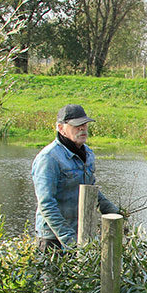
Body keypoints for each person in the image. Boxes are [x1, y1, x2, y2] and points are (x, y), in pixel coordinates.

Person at [31, 104, 119, 250]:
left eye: (84, 124)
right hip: (52, 239)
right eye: (76, 126)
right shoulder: (48, 158)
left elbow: (91, 190)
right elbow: (46, 204)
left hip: (81, 234)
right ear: (61, 128)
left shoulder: (88, 155)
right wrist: (70, 241)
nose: (82, 129)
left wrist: (114, 212)